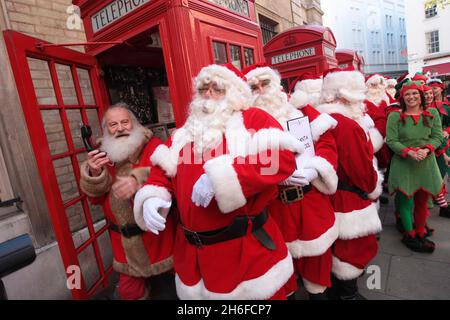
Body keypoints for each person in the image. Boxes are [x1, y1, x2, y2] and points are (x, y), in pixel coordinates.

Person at [133, 64, 303, 300]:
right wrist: (153, 195)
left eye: (217, 88)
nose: (209, 94)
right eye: (203, 88)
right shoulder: (185, 132)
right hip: (195, 259)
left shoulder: (253, 119)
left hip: (244, 252)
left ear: (233, 92)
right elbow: (162, 170)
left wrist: (224, 176)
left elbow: (282, 160)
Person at [244, 65, 339, 300]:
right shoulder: (244, 124)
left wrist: (315, 168)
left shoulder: (301, 110)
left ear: (277, 85)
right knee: (280, 265)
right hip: (273, 206)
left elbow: (327, 144)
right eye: (253, 87)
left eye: (264, 83)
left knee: (317, 261)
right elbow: (244, 164)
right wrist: (277, 174)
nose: (260, 90)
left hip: (310, 199)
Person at [80, 103, 175, 300]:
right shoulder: (102, 153)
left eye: (125, 122)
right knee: (130, 293)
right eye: (113, 124)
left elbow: (170, 173)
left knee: (172, 291)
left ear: (135, 124)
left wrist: (138, 180)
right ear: (106, 130)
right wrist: (95, 173)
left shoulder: (154, 145)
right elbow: (95, 199)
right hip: (124, 245)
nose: (120, 128)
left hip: (159, 240)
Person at [316, 67, 383, 300]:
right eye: (358, 91)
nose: (363, 97)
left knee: (334, 247)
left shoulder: (322, 119)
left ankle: (337, 290)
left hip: (327, 197)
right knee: (352, 250)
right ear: (345, 95)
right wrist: (373, 185)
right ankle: (347, 295)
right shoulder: (347, 125)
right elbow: (361, 171)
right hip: (349, 199)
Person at [386, 81, 443, 252]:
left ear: (421, 96)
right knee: (405, 200)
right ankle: (410, 234)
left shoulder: (432, 113)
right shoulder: (395, 116)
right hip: (404, 164)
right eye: (407, 94)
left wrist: (426, 150)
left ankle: (420, 231)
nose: (411, 97)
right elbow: (391, 140)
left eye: (415, 94)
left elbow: (437, 136)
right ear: (402, 97)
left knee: (422, 201)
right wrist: (409, 152)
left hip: (426, 164)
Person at [425, 81, 450, 218]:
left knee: (438, 175)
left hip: (440, 144)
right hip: (427, 149)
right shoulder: (425, 110)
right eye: (427, 93)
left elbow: (438, 131)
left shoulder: (437, 108)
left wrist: (446, 131)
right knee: (434, 176)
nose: (430, 95)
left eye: (431, 91)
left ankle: (441, 204)